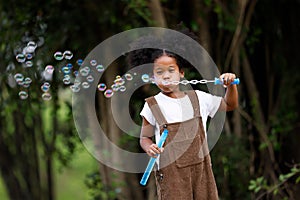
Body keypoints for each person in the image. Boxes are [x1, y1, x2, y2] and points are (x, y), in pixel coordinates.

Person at [136, 47, 238, 200]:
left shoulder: (199, 98)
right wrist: (149, 147)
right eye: (159, 72)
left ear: (181, 73)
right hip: (172, 179)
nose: (166, 76)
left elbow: (229, 105)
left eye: (171, 70)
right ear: (152, 77)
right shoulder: (152, 105)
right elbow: (144, 138)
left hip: (202, 174)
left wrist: (231, 85)